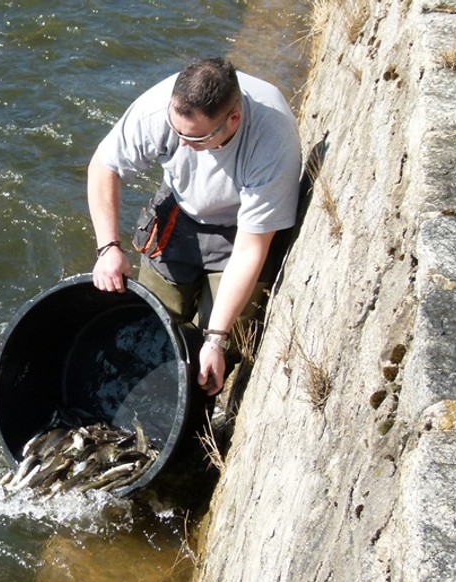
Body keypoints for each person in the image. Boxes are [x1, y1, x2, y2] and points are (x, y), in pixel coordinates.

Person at [87, 57, 301, 397]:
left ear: (234, 119)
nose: (183, 145)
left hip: (242, 229)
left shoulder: (272, 139)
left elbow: (250, 249)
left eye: (196, 138)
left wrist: (216, 338)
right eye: (176, 132)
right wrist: (108, 247)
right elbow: (104, 166)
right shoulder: (159, 108)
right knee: (155, 325)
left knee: (220, 345)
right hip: (181, 211)